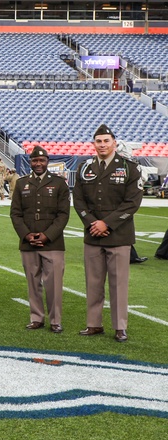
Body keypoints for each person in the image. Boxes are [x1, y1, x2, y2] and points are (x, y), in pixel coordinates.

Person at [73, 124, 143, 342]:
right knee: (93, 283)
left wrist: (107, 224)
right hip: (92, 235)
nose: (102, 145)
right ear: (93, 144)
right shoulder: (85, 167)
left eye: (106, 141)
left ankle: (120, 326)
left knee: (118, 284)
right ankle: (94, 324)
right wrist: (93, 223)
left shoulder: (130, 167)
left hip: (119, 236)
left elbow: (132, 202)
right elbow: (78, 200)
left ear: (114, 142)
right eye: (98, 141)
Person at [11, 146, 69, 333]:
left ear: (47, 162)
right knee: (32, 283)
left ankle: (55, 320)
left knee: (53, 284)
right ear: (30, 162)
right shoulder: (21, 184)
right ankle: (36, 318)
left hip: (52, 242)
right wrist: (26, 235)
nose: (38, 164)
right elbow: (16, 214)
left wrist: (47, 235)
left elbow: (63, 215)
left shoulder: (59, 183)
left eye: (41, 161)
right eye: (35, 161)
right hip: (28, 242)